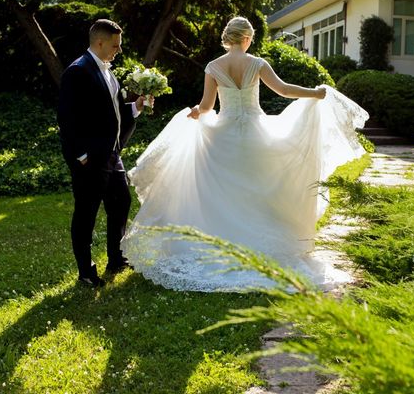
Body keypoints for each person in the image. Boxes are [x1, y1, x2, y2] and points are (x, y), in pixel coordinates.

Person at [121, 16, 368, 292]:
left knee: (225, 193)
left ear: (229, 38)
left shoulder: (214, 66)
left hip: (223, 134)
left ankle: (223, 245)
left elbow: (206, 106)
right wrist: (316, 93)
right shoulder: (258, 64)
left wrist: (195, 112)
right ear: (248, 38)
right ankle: (260, 245)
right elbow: (285, 90)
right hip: (255, 132)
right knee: (258, 190)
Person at [58, 19, 151, 288]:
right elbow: (67, 119)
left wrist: (137, 107)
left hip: (112, 155)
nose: (118, 50)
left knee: (120, 204)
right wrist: (81, 157)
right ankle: (86, 272)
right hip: (89, 159)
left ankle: (116, 257)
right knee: (86, 214)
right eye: (115, 45)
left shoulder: (108, 71)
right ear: (99, 42)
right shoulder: (78, 71)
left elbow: (114, 112)